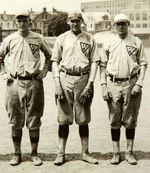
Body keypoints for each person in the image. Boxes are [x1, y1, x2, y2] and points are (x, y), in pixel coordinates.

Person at [0, 11, 51, 166]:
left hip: (34, 82)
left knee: (34, 119)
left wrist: (44, 71)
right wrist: (3, 72)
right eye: (19, 21)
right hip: (14, 83)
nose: (22, 24)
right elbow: (0, 58)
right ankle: (17, 154)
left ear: (30, 22)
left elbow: (50, 56)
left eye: (25, 21)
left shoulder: (38, 38)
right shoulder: (9, 39)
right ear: (16, 23)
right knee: (15, 120)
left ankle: (34, 154)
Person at [51, 11, 100, 166]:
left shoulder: (90, 38)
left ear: (82, 21)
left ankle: (85, 153)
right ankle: (61, 153)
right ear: (68, 22)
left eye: (78, 21)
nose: (75, 23)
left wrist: (90, 84)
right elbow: (54, 62)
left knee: (83, 119)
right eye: (72, 21)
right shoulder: (62, 38)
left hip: (83, 79)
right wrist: (57, 85)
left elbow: (95, 62)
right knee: (63, 119)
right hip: (65, 78)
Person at [99, 13, 148, 165]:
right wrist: (103, 85)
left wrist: (139, 83)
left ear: (128, 24)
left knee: (130, 119)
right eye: (118, 24)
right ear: (114, 26)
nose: (121, 26)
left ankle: (129, 152)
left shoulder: (136, 41)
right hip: (113, 84)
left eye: (123, 23)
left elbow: (144, 64)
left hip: (131, 83)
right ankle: (116, 153)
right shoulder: (108, 42)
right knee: (114, 119)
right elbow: (102, 66)